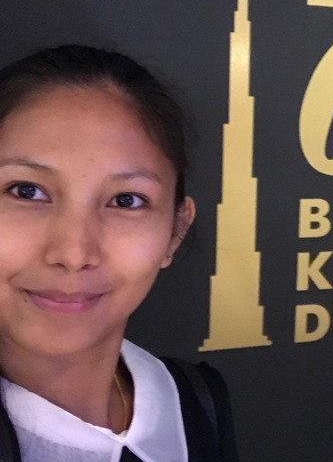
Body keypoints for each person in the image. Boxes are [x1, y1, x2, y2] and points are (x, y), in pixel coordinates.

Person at [0, 45, 237, 462]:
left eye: (126, 200)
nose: (74, 253)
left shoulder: (195, 401)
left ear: (176, 231)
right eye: (26, 191)